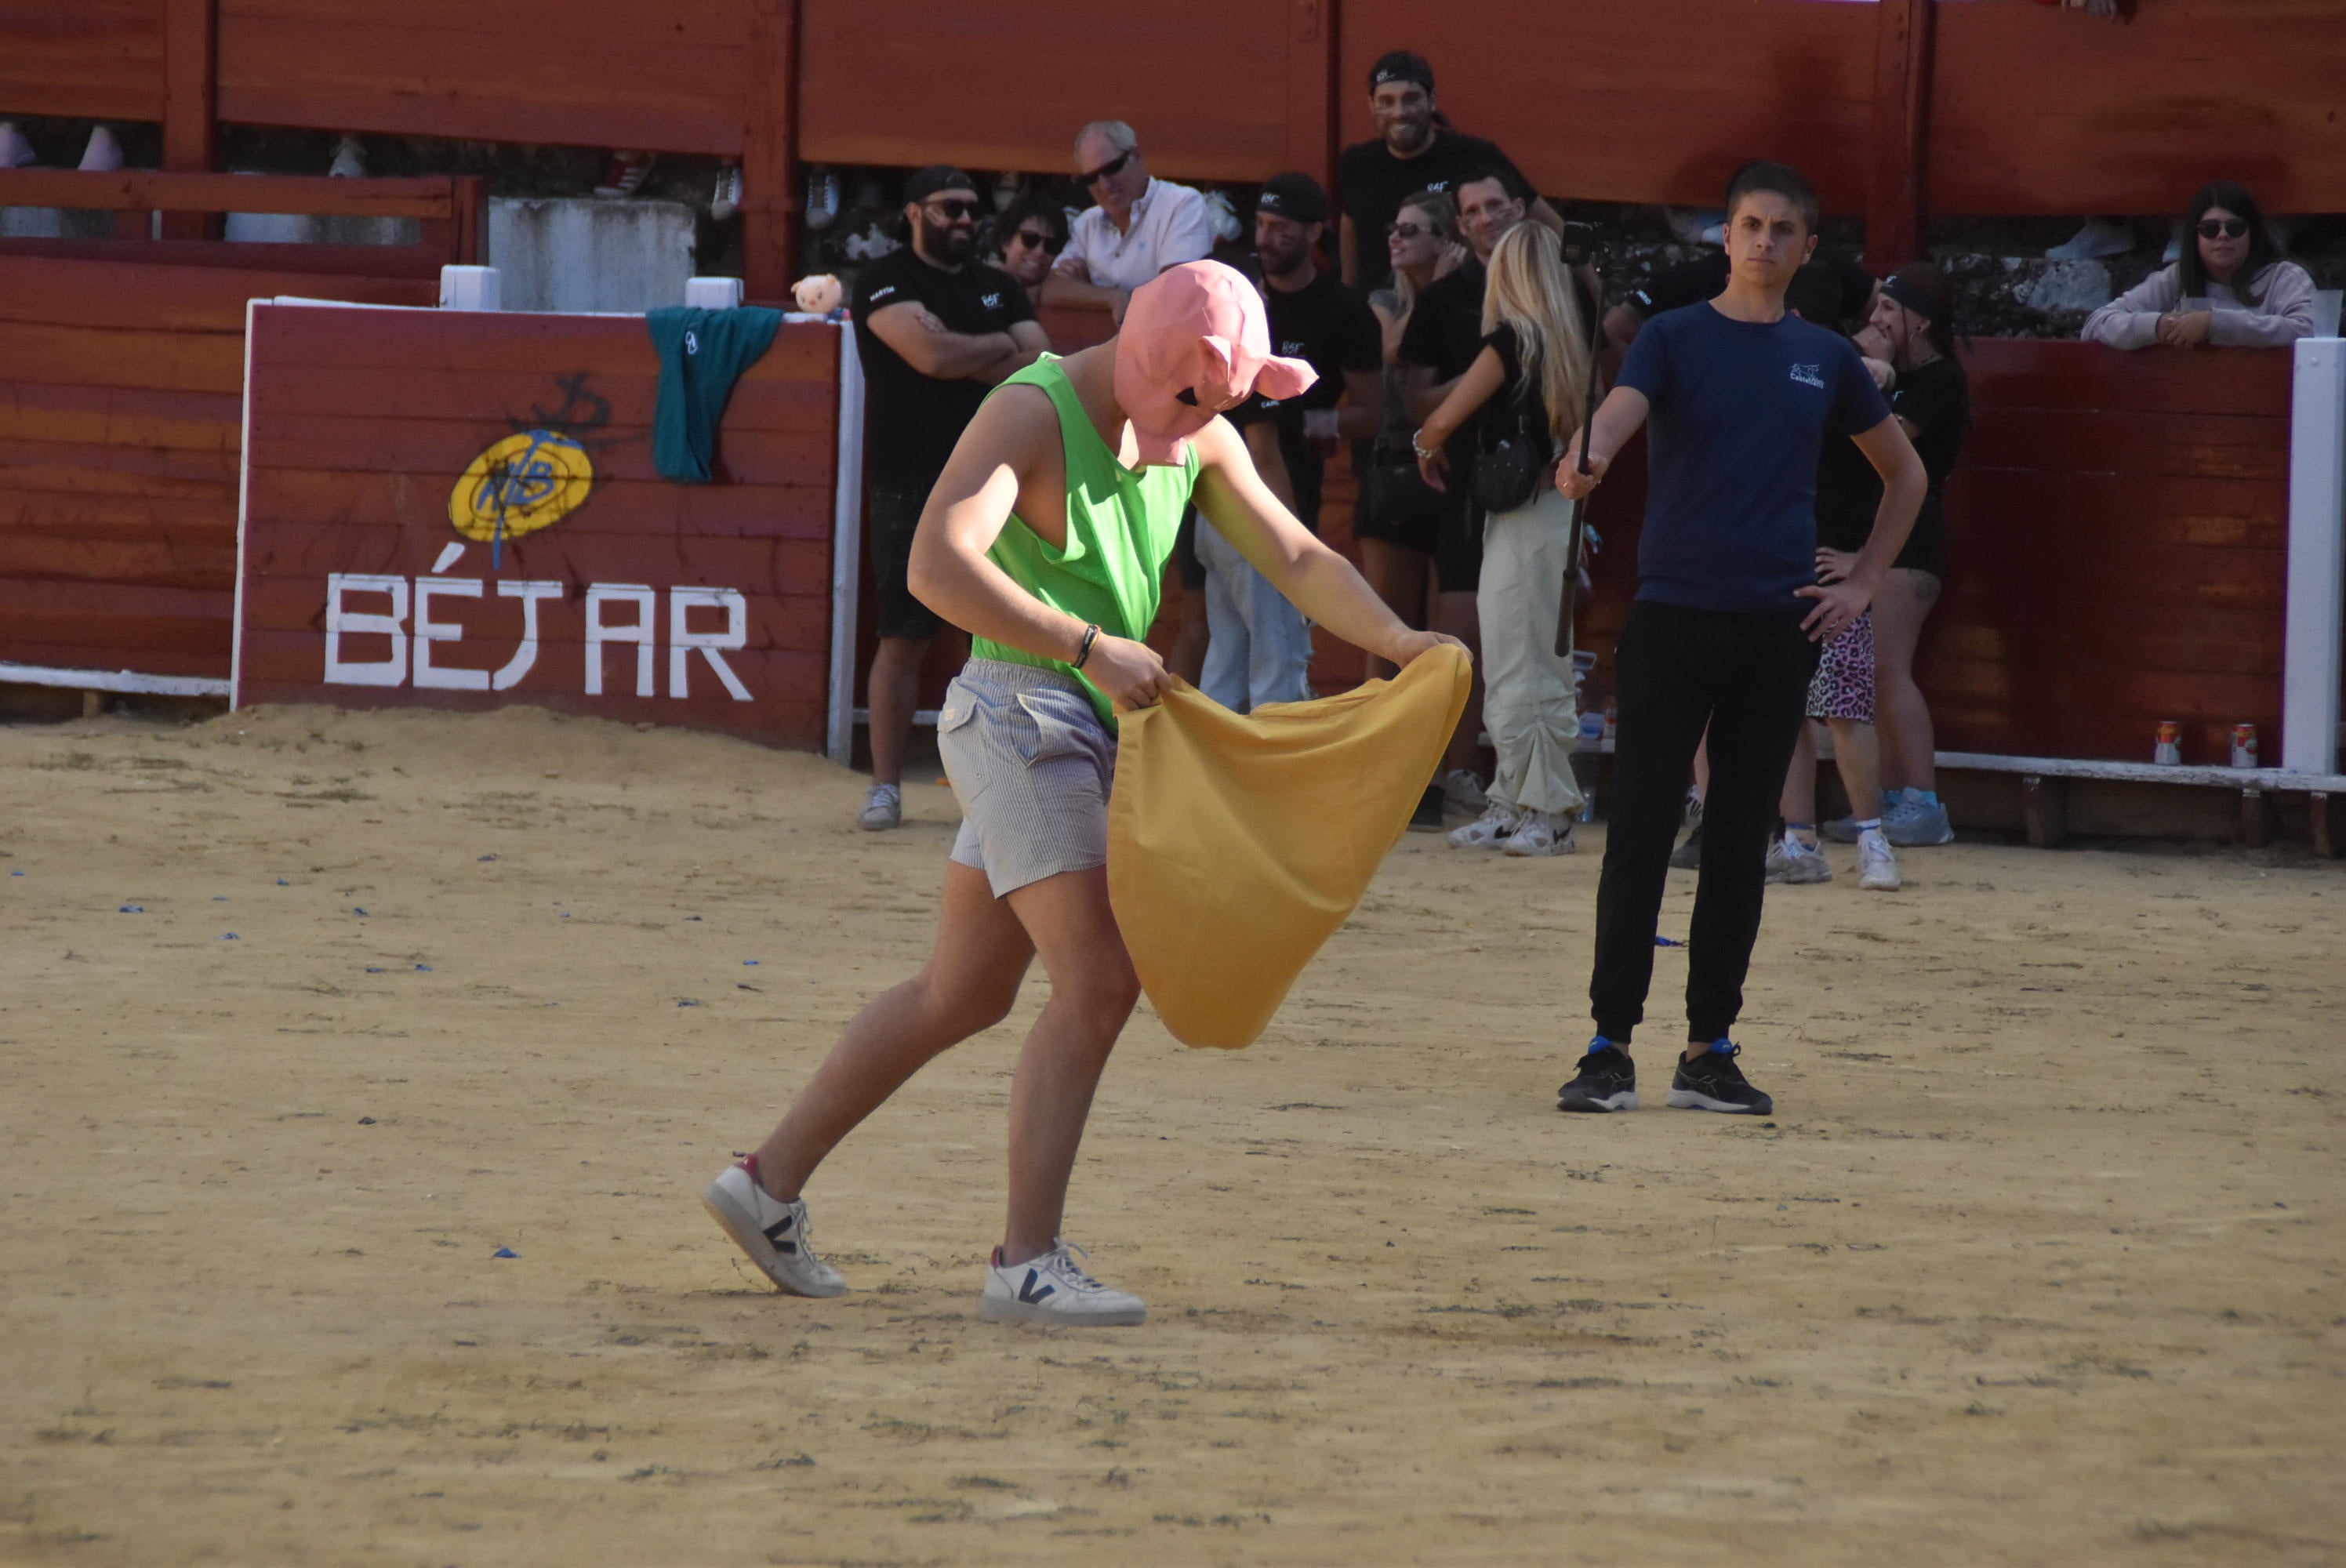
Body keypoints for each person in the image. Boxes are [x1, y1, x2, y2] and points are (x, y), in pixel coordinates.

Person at [702, 261, 1461, 1325]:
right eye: (1191, 405)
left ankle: (763, 1185)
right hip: (1020, 714)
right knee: (1100, 980)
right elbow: (934, 566)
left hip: (1084, 724)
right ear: (1156, 365)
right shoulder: (1031, 410)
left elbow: (1294, 549)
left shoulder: (1204, 425)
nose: (1192, 430)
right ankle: (1026, 1260)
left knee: (959, 995)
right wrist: (1092, 645)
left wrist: (1395, 640)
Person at [1552, 162, 1923, 1118]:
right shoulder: (1674, 337)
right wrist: (1586, 455)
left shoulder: (1825, 357)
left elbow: (1905, 476)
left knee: (1737, 837)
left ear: (1804, 248)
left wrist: (1868, 581)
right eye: (1750, 225)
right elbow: (1620, 414)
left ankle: (1708, 1045)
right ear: (1725, 236)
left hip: (1774, 622)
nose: (1763, 242)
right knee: (1637, 825)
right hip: (1674, 615)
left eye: (1783, 229)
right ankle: (1608, 1043)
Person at [848, 165, 1049, 830]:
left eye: (971, 210)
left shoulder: (997, 286)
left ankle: (984, 791)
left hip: (993, 480)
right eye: (948, 208)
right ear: (912, 212)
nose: (965, 219)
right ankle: (885, 785)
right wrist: (997, 348)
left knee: (991, 639)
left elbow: (1038, 358)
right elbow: (930, 359)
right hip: (909, 478)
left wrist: (961, 347)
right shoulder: (883, 278)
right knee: (903, 636)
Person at [1410, 223, 1596, 858]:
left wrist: (1425, 447)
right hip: (1554, 507)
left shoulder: (1510, 341)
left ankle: (1543, 806)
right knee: (1536, 655)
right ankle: (1515, 799)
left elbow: (1440, 417)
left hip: (1520, 515)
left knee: (1519, 658)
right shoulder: (1572, 342)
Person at [1204, 172, 1385, 712]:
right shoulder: (1239, 300)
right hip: (1234, 501)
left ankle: (1222, 788)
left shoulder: (1343, 309)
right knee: (1268, 664)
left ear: (1315, 233)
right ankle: (1258, 788)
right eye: (1261, 224)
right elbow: (1259, 445)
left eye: (1282, 228)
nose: (1266, 237)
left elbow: (1370, 413)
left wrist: (1311, 423)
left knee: (1234, 660)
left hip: (1273, 495)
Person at [1814, 263, 1973, 853]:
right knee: (1873, 675)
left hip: (1909, 544)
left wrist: (1862, 373)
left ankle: (1922, 803)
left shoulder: (1939, 382)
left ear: (1919, 320)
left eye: (1887, 311)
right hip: (1885, 543)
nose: (1875, 319)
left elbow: (1886, 450)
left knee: (1886, 670)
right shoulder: (1904, 376)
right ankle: (1886, 799)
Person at [1393, 169, 1531, 813]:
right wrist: (1486, 376)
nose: (1484, 218)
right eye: (1471, 210)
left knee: (1528, 639)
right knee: (1460, 642)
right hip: (1467, 483)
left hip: (1544, 483)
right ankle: (1450, 776)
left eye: (1495, 206)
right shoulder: (1447, 300)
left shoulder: (1551, 289)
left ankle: (1518, 784)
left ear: (1520, 209)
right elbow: (1414, 399)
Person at [1335, 50, 1564, 292]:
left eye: (1411, 99)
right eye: (1386, 102)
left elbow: (1553, 229)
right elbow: (1350, 234)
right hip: (1381, 313)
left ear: (1432, 100)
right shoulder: (1357, 165)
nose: (1399, 112)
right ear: (1371, 105)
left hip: (1467, 307)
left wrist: (1602, 306)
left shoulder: (1474, 157)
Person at [2080, 180, 2319, 351]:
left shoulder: (2284, 277)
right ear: (2195, 237)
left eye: (2234, 228)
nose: (2222, 236)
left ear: (2252, 233)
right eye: (2210, 229)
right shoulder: (2177, 277)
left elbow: (2308, 330)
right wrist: (2161, 326)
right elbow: (2097, 323)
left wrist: (2213, 324)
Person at [1043, 121, 1217, 321]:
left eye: (1112, 168)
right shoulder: (1087, 223)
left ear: (1136, 156)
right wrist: (1111, 297)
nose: (1105, 185)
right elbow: (1051, 289)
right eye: (1091, 178)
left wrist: (1086, 291)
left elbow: (1176, 291)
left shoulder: (1182, 204)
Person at [987, 188, 1070, 309]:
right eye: (1030, 239)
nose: (1040, 252)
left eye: (1051, 245)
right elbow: (983, 304)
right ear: (1005, 241)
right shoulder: (982, 279)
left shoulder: (1063, 287)